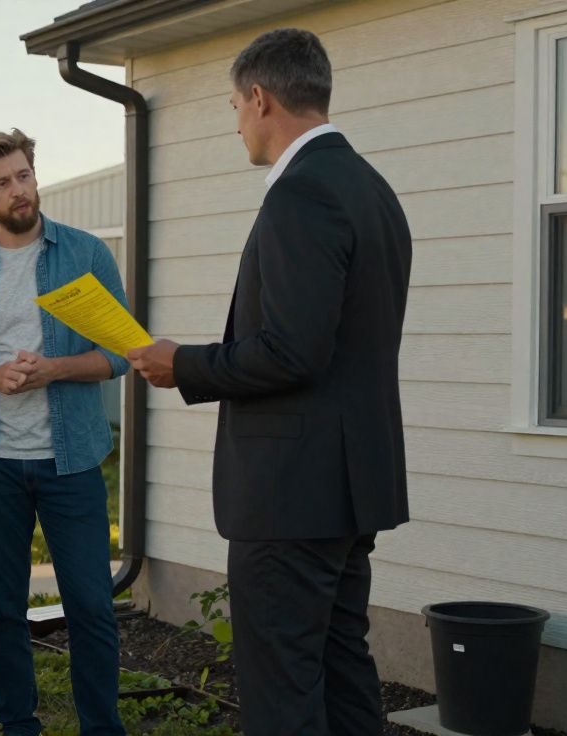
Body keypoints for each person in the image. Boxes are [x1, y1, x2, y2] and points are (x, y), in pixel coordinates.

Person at [127, 28, 412, 736]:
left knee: (281, 691)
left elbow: (292, 352)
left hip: (293, 493)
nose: (235, 124)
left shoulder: (301, 195)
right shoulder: (373, 189)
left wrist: (181, 364)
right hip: (350, 487)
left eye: (233, 105)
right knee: (343, 670)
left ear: (259, 99)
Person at [0, 129, 128, 736]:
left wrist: (54, 369)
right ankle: (18, 725)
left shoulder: (85, 253)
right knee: (4, 611)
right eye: (2, 183)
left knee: (93, 606)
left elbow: (121, 351)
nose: (18, 191)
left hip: (71, 462)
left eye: (23, 176)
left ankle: (102, 727)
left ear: (34, 174)